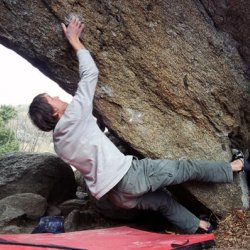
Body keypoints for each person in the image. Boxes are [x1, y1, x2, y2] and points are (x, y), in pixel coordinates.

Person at [29, 17, 250, 234]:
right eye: (52, 98)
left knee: (163, 202)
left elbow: (88, 147)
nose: (58, 97)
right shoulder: (74, 114)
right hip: (130, 176)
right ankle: (234, 167)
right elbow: (90, 73)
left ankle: (200, 227)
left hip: (116, 196)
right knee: (185, 168)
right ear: (55, 112)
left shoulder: (59, 145)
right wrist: (75, 40)